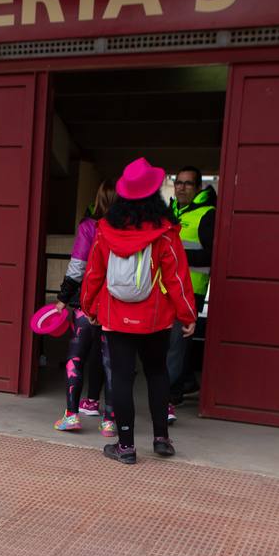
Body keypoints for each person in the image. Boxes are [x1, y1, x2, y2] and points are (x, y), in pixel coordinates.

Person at [80, 157, 196, 465]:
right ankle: (161, 439)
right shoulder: (166, 232)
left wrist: (89, 306)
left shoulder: (106, 229)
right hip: (155, 319)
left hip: (116, 317)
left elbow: (93, 273)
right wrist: (188, 315)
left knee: (121, 378)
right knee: (157, 372)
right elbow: (177, 279)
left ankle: (126, 447)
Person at [54, 179, 116, 436]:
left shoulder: (90, 227)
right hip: (117, 306)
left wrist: (62, 298)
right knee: (111, 362)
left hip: (86, 304)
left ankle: (71, 416)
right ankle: (110, 421)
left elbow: (77, 267)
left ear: (99, 199)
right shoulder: (131, 231)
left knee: (76, 358)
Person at [166, 165, 216, 417]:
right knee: (172, 344)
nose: (181, 187)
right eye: (178, 183)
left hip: (190, 290)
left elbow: (211, 255)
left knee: (176, 344)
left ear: (198, 188)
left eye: (187, 183)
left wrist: (178, 256)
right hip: (164, 289)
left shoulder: (207, 214)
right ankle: (185, 383)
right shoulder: (171, 211)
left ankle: (170, 394)